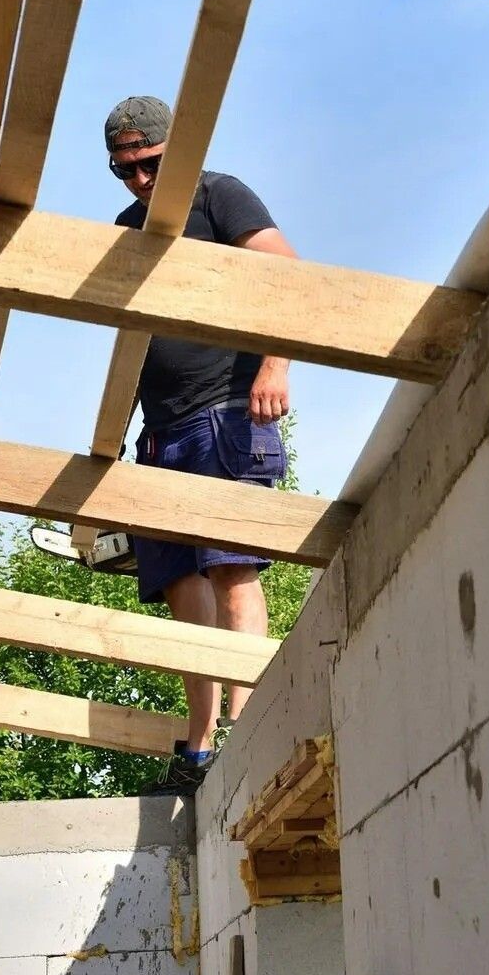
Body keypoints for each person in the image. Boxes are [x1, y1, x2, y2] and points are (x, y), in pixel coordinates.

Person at [103, 95, 298, 795]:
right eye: (125, 170)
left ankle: (249, 729)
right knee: (183, 588)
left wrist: (275, 364)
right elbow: (130, 341)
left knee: (230, 570)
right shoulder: (127, 228)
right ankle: (199, 749)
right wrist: (107, 454)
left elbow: (284, 269)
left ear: (176, 151)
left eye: (151, 165)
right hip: (161, 436)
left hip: (224, 415)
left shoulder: (220, 196)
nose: (140, 182)